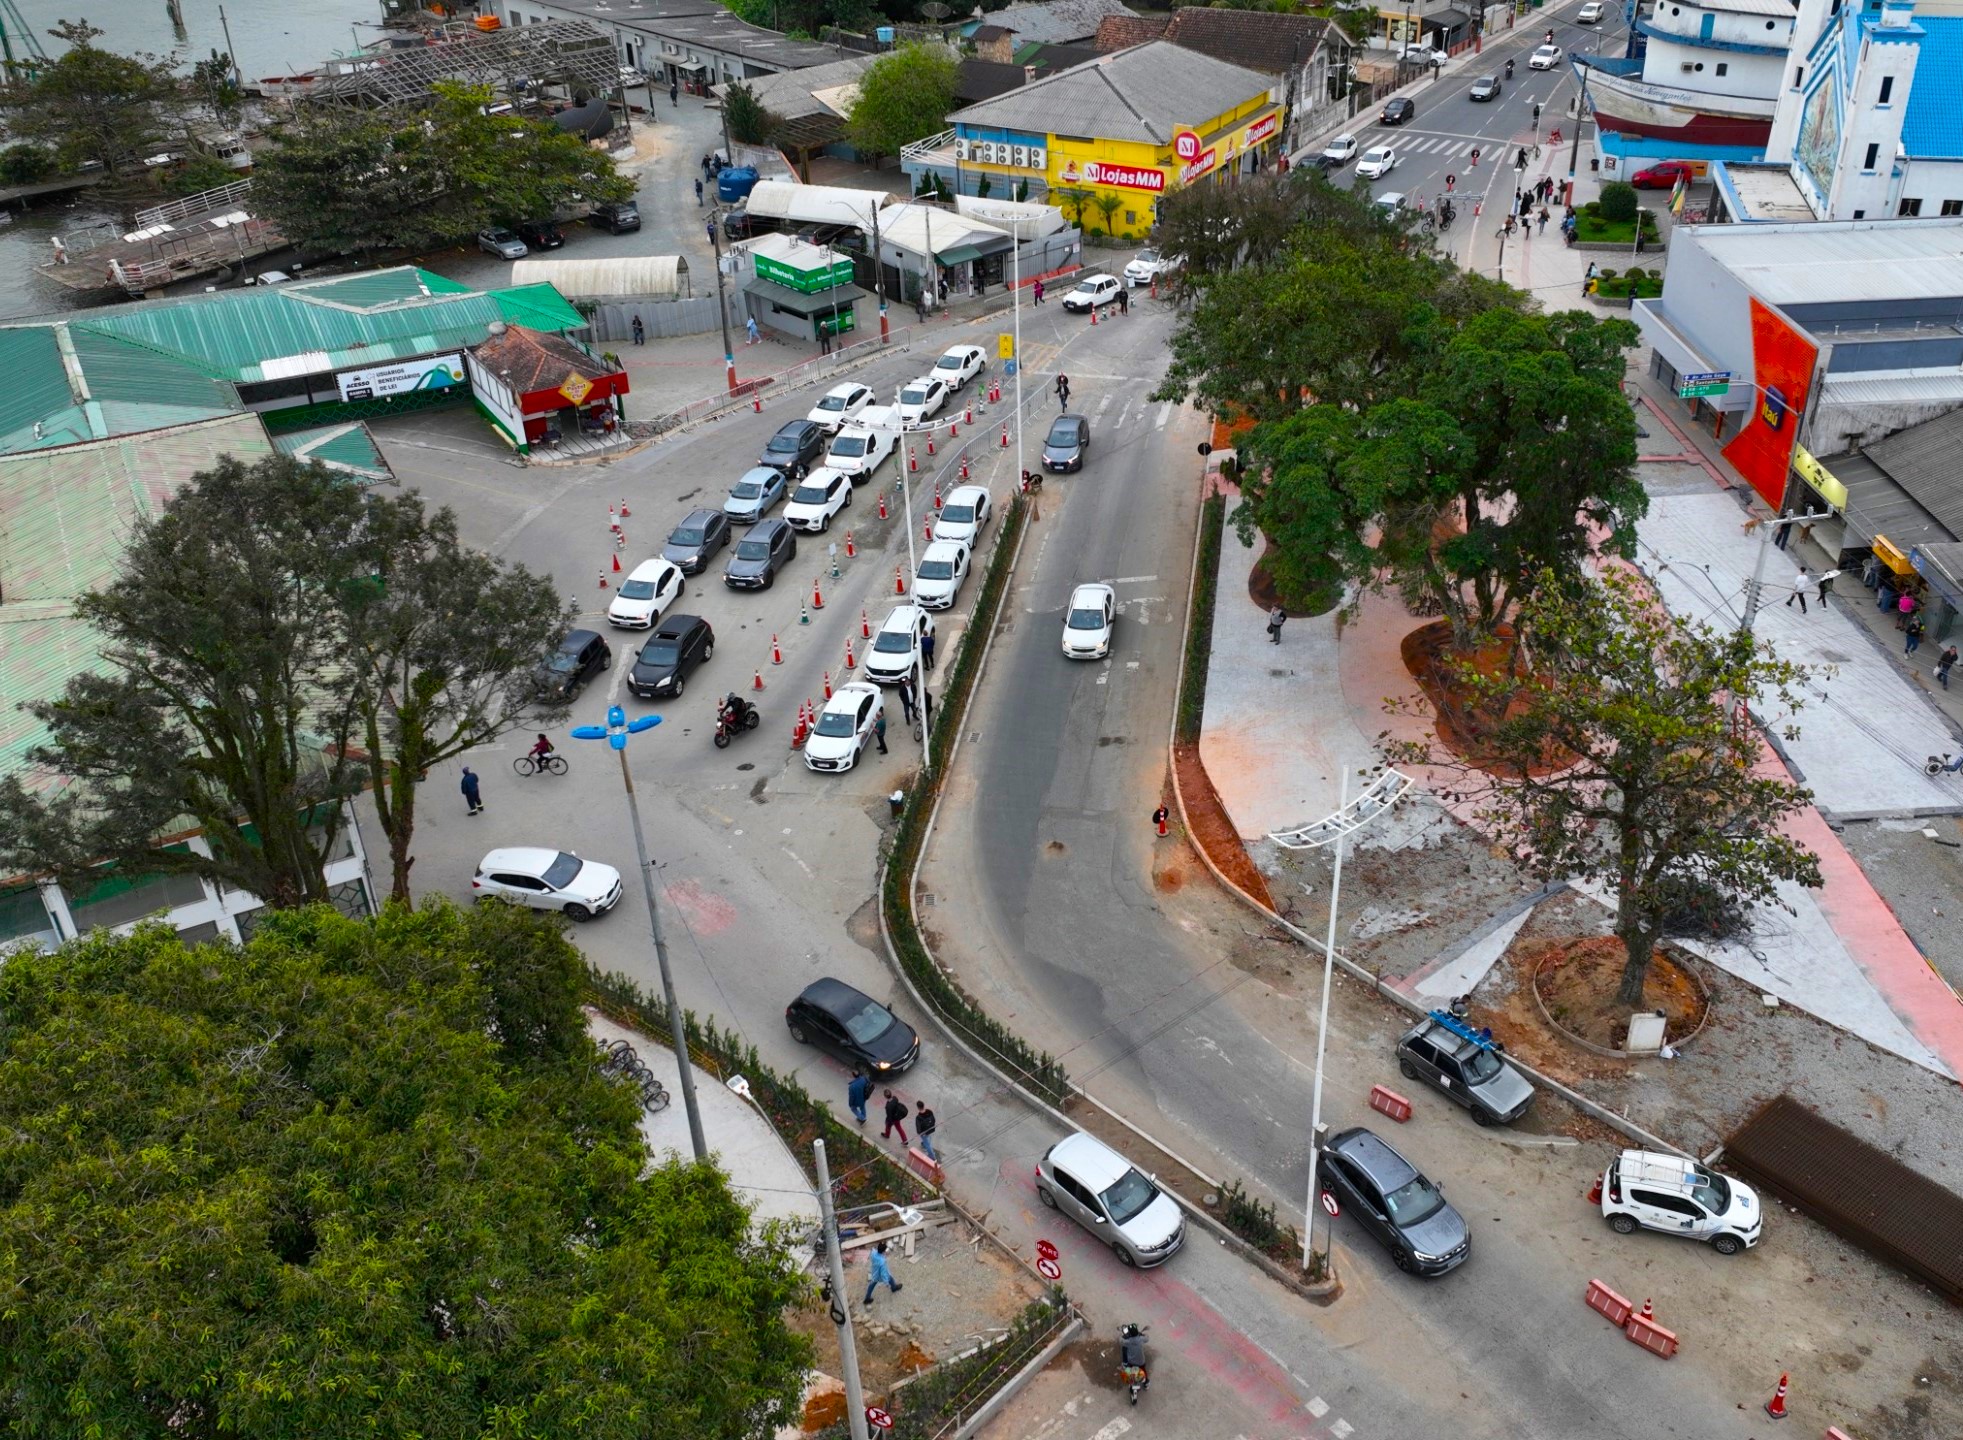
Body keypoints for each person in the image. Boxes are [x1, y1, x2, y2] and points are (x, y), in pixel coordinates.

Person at [863, 1240, 902, 1304]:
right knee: (890, 1278)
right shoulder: (882, 1262)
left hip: (874, 1272)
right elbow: (883, 1274)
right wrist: (886, 1282)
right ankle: (894, 1288)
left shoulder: (873, 1253)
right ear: (883, 1251)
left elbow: (874, 1251)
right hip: (879, 1275)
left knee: (872, 1285)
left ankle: (867, 1298)